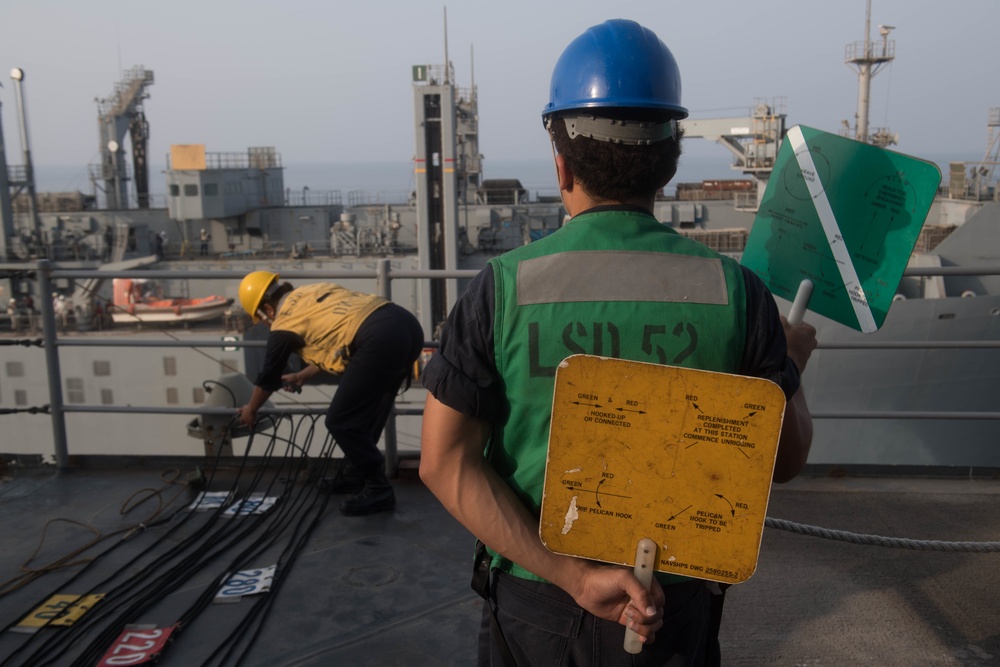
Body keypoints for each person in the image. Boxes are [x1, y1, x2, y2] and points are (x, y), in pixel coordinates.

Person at [418, 19, 817, 666]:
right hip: (675, 606)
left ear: (561, 162)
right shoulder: (737, 294)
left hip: (537, 604)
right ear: (669, 162)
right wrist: (792, 361)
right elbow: (786, 457)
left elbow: (443, 462)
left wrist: (573, 576)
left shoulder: (500, 289)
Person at [235, 271, 424, 516]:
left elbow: (268, 378)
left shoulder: (283, 323)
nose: (267, 323)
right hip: (403, 324)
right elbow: (341, 334)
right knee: (370, 411)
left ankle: (378, 488)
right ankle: (359, 474)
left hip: (379, 339)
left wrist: (251, 409)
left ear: (268, 310)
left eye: (262, 318)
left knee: (340, 421)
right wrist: (303, 375)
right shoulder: (312, 291)